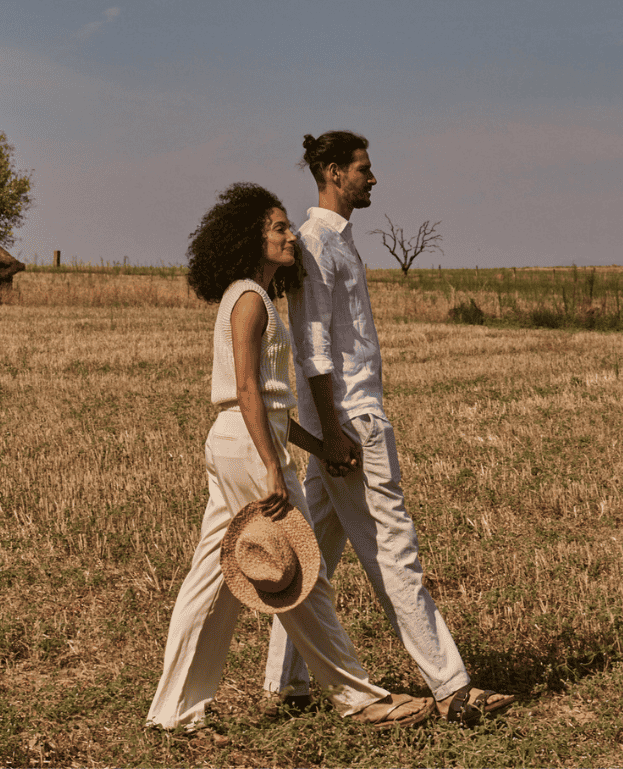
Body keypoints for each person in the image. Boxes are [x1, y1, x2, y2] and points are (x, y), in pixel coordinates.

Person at [146, 182, 434, 733]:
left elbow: (272, 404)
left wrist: (318, 447)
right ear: (251, 238)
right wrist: (272, 468)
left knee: (210, 581)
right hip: (248, 445)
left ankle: (173, 714)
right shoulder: (249, 299)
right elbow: (247, 389)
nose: (290, 237)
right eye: (278, 228)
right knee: (301, 573)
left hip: (247, 439)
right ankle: (358, 699)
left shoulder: (254, 295)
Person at [263, 132, 516, 725]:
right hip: (352, 423)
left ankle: (285, 683)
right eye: (363, 169)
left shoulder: (337, 241)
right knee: (394, 551)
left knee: (311, 556)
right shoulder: (316, 244)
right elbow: (313, 349)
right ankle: (452, 688)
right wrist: (334, 432)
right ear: (333, 172)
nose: (373, 179)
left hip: (346, 421)